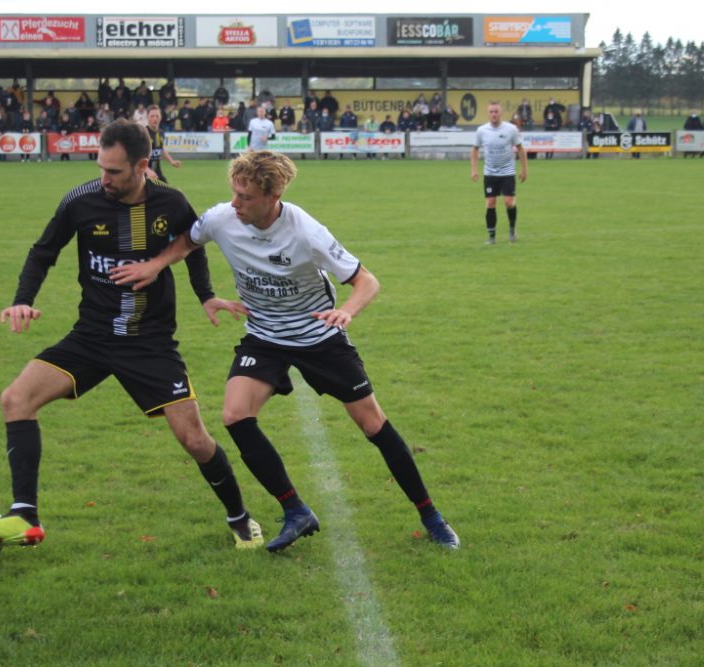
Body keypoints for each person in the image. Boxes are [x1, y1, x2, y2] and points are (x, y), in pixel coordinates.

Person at [108, 151, 461, 552]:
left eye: (246, 197)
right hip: (265, 336)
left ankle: (432, 516)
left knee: (373, 425)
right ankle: (295, 510)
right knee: (235, 415)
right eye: (234, 193)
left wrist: (345, 311)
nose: (235, 204)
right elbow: (189, 240)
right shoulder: (223, 218)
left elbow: (367, 281)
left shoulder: (306, 232)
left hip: (319, 335)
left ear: (273, 195)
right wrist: (157, 265)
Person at [0, 120, 262, 553]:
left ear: (142, 166)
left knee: (195, 439)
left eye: (115, 171)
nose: (104, 178)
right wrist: (22, 299)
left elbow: (192, 243)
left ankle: (239, 518)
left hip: (149, 344)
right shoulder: (81, 201)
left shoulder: (170, 202)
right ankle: (25, 514)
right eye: (100, 167)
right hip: (92, 336)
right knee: (15, 399)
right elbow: (43, 251)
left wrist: (207, 295)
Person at [471, 101, 528, 244]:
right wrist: (474, 170)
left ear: (501, 113)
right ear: (488, 114)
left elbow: (520, 149)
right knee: (490, 202)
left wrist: (524, 170)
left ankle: (512, 229)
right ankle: (491, 237)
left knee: (509, 202)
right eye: (491, 112)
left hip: (507, 171)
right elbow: (475, 149)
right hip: (490, 172)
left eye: (496, 111)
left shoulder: (511, 129)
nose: (494, 114)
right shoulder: (481, 131)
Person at [145, 106, 180, 180]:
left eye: (157, 116)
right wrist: (147, 171)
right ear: (147, 117)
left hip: (157, 174)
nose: (155, 119)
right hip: (144, 176)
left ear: (160, 117)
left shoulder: (161, 132)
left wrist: (172, 162)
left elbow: (162, 150)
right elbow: (136, 158)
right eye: (152, 116)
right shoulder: (143, 133)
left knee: (169, 190)